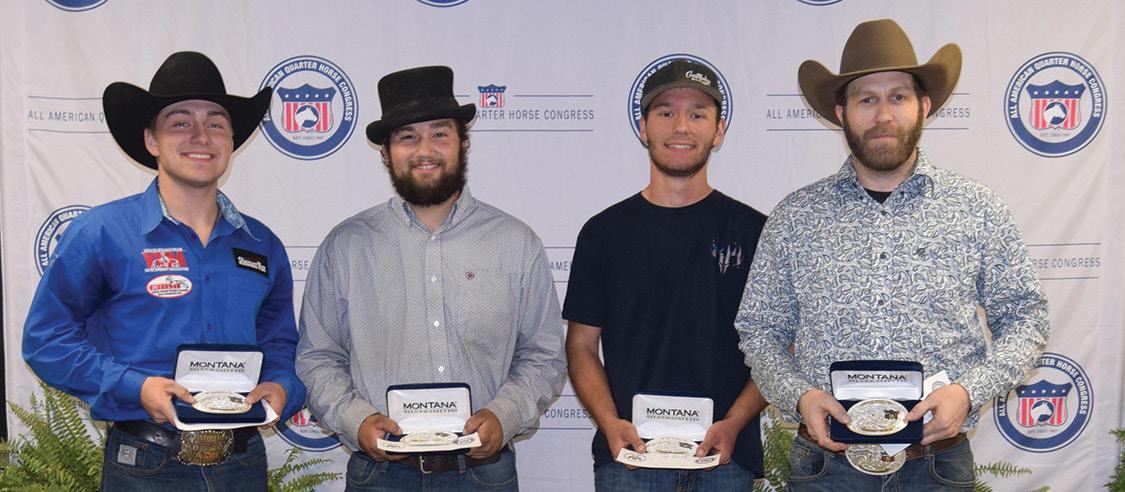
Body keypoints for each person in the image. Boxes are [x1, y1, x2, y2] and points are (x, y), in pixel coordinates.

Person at [735, 19, 1050, 490]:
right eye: (867, 100)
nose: (883, 115)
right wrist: (800, 396)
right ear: (841, 112)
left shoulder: (977, 209)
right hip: (826, 468)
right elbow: (760, 330)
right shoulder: (795, 217)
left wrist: (969, 392)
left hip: (936, 467)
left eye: (898, 97)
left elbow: (1027, 317)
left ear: (923, 106)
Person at [23, 51, 306, 490]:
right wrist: (135, 387)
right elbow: (46, 340)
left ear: (231, 141)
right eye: (180, 122)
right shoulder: (102, 232)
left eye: (216, 124)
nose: (201, 136)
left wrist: (282, 385)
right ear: (151, 141)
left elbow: (279, 342)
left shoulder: (262, 244)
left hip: (243, 463)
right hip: (146, 464)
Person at [296, 65, 566, 491]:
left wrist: (505, 415)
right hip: (380, 476)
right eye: (408, 137)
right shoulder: (346, 246)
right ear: (386, 152)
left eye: (440, 133)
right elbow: (317, 356)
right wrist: (357, 420)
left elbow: (544, 353)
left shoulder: (515, 242)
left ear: (463, 142)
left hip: (483, 475)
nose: (425, 150)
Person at [564, 59, 768, 491]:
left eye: (697, 114)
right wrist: (609, 421)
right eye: (666, 112)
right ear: (643, 127)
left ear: (719, 130)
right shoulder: (603, 233)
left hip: (724, 457)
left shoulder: (756, 232)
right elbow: (581, 346)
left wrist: (734, 422)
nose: (681, 127)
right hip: (630, 458)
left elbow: (777, 345)